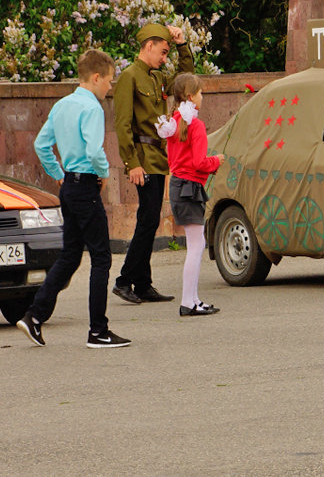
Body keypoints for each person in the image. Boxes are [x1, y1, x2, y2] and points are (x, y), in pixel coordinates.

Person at [19, 49, 131, 348]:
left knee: (70, 256)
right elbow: (95, 151)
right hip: (85, 187)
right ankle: (98, 331)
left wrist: (59, 174)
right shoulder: (92, 108)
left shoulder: (62, 105)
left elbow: (41, 144)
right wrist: (104, 173)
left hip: (69, 186)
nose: (110, 87)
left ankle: (34, 315)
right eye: (109, 81)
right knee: (101, 258)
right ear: (96, 78)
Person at [112, 22, 194, 304]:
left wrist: (183, 45)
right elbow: (122, 125)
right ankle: (124, 280)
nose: (164, 58)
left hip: (158, 158)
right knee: (147, 221)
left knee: (150, 219)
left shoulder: (155, 77)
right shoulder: (129, 77)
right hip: (143, 160)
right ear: (148, 46)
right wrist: (131, 163)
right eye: (163, 52)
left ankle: (143, 284)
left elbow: (184, 81)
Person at [155, 73, 224, 316]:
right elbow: (199, 162)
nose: (203, 96)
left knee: (196, 243)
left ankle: (193, 299)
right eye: (201, 92)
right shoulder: (196, 125)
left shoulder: (173, 124)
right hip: (190, 187)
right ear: (192, 97)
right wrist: (217, 160)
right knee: (196, 245)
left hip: (177, 185)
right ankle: (188, 301)